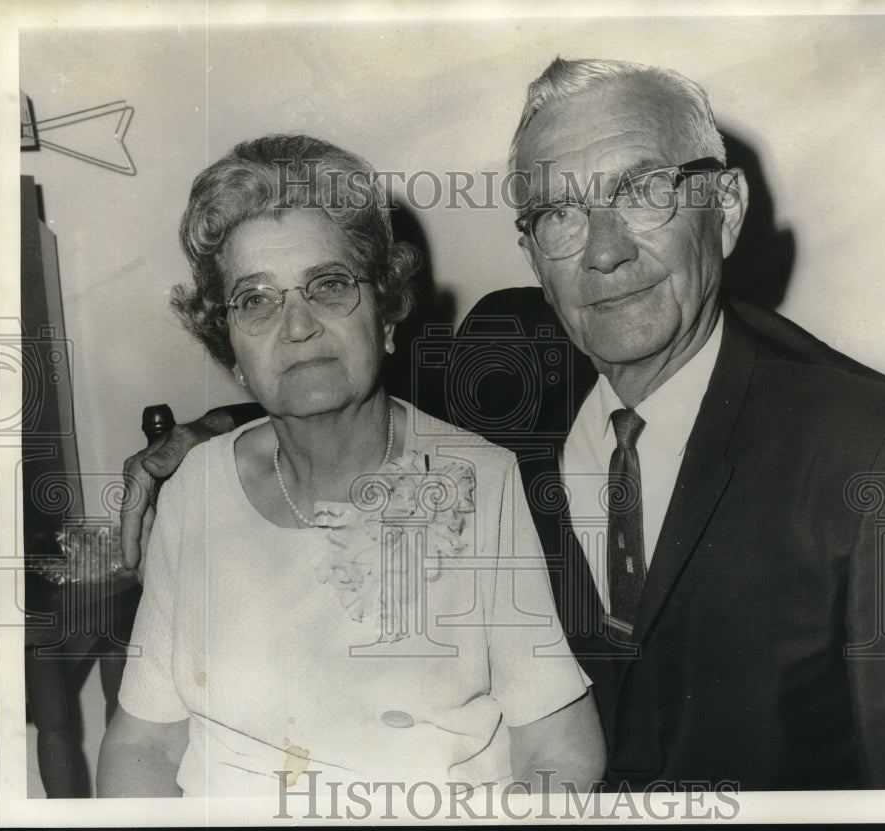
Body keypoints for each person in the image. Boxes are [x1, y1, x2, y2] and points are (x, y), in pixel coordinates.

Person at [120, 61, 885, 791]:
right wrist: (204, 431)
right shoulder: (517, 378)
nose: (603, 251)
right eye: (559, 212)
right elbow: (332, 383)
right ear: (531, 251)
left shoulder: (873, 443)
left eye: (638, 191)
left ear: (727, 208)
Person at [98, 134, 605, 798]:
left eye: (329, 285)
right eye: (256, 299)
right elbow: (143, 742)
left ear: (388, 309)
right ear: (231, 350)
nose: (297, 325)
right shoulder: (193, 489)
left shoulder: (481, 482)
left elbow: (560, 747)